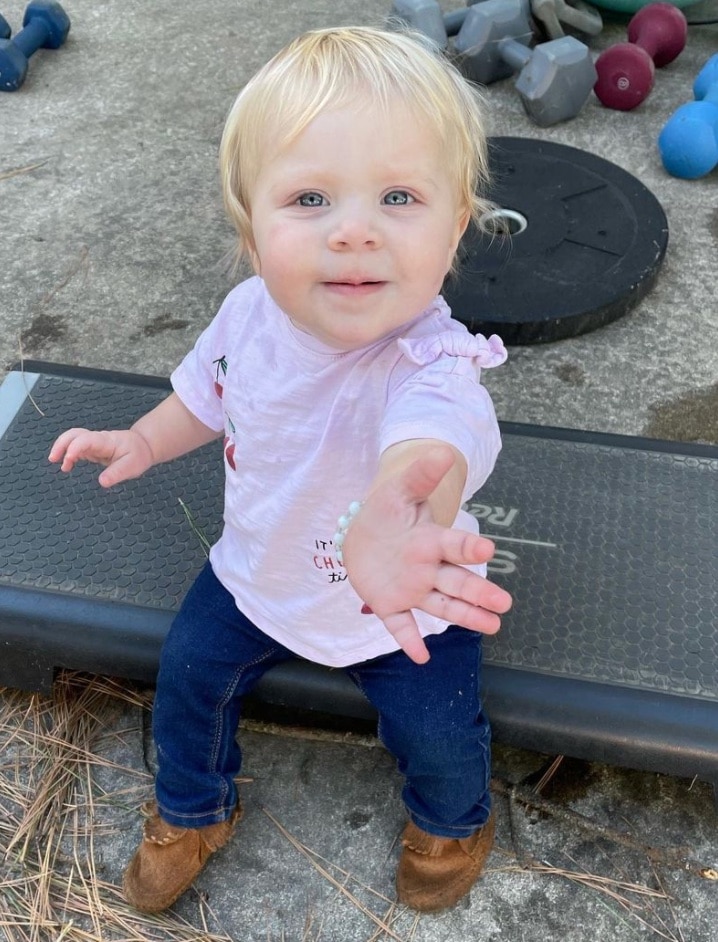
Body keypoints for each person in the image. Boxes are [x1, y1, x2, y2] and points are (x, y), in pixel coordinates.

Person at [48, 25, 512, 915]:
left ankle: (452, 823)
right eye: (309, 199)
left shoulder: (434, 367)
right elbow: (206, 395)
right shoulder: (247, 315)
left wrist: (407, 508)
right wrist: (146, 439)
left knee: (441, 732)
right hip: (257, 573)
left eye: (400, 197)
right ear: (250, 228)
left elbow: (434, 448)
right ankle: (192, 808)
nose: (353, 233)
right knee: (186, 679)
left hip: (403, 608)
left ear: (456, 225)